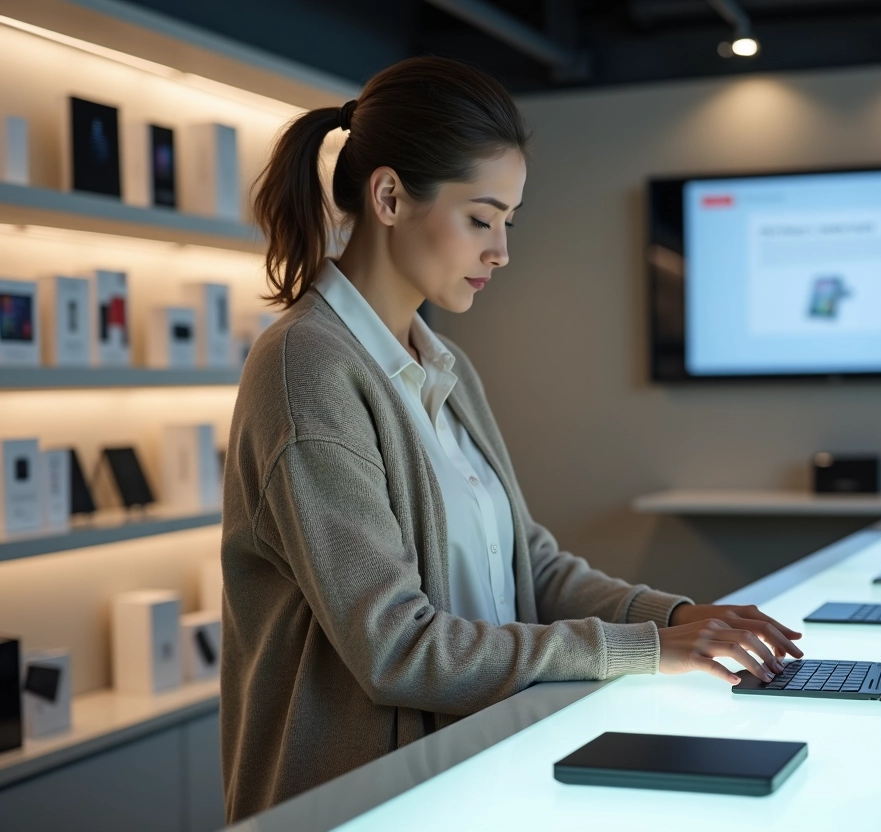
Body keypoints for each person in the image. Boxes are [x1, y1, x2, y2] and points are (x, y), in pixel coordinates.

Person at [221, 55, 804, 823]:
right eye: (480, 218)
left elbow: (529, 565)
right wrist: (642, 651)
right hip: (366, 806)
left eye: (507, 222)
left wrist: (674, 618)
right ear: (389, 196)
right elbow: (398, 649)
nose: (501, 251)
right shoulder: (307, 371)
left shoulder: (442, 362)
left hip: (470, 777)